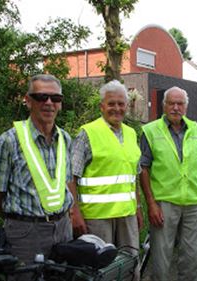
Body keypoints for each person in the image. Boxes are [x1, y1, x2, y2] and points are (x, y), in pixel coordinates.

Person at [0, 74, 73, 279]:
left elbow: (65, 184)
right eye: (41, 97)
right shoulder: (8, 141)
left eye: (55, 98)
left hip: (63, 229)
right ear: (28, 100)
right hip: (25, 234)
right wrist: (21, 222)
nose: (49, 103)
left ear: (60, 104)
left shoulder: (65, 139)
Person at [69, 80, 142, 280]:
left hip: (126, 216)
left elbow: (133, 176)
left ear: (126, 106)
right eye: (111, 104)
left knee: (129, 265)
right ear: (102, 106)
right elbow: (70, 177)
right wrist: (74, 212)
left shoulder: (131, 133)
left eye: (121, 104)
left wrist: (138, 208)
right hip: (97, 218)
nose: (116, 108)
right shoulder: (88, 133)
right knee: (101, 270)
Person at [140, 86, 197, 281]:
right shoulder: (150, 131)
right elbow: (143, 168)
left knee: (193, 257)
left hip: (193, 203)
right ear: (164, 106)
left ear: (186, 106)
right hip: (164, 202)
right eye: (171, 103)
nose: (176, 107)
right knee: (161, 257)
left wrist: (196, 186)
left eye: (180, 103)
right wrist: (151, 203)